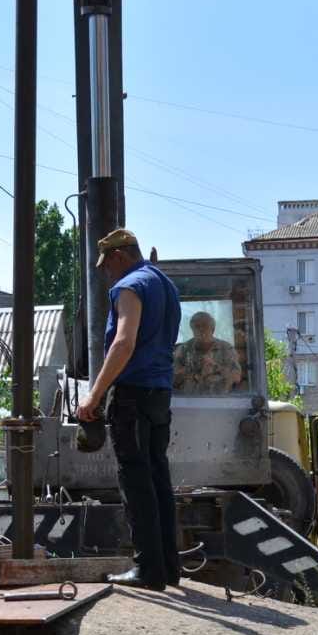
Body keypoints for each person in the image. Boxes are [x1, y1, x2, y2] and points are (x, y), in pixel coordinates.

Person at [75, 228, 183, 590]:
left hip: (133, 395)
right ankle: (169, 567)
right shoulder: (165, 284)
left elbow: (123, 342)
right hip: (160, 395)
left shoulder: (129, 286)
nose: (106, 272)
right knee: (158, 479)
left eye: (107, 265)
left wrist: (94, 395)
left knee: (136, 481)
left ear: (119, 256)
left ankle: (148, 570)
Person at [171, 310, 243, 395]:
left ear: (212, 329)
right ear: (192, 329)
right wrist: (194, 370)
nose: (201, 330)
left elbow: (236, 377)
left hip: (221, 402)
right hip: (189, 402)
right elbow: (172, 380)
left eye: (205, 326)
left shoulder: (226, 349)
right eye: (197, 326)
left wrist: (215, 367)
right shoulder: (183, 349)